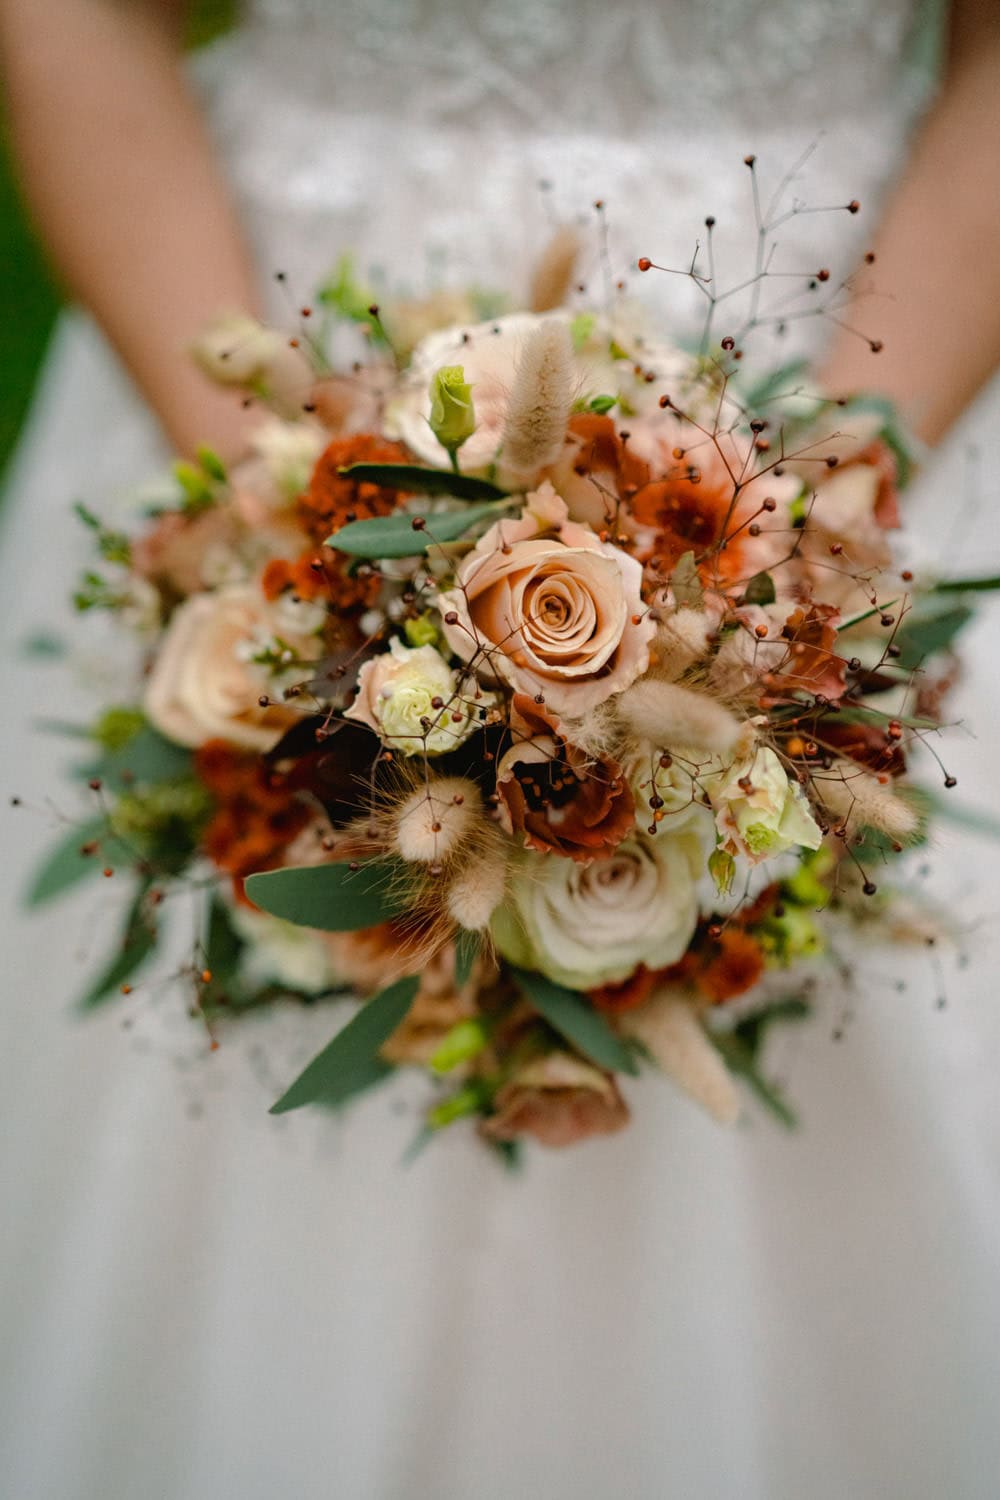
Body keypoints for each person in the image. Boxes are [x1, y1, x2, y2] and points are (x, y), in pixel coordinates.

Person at [0, 3, 998, 1497]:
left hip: (865, 338)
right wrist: (289, 519)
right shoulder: (279, 483)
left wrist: (816, 542)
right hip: (248, 325)